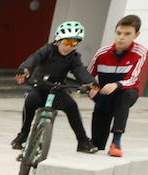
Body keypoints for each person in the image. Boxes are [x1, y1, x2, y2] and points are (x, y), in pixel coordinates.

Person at [12, 21, 98, 154]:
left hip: (57, 89)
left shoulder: (73, 57)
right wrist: (24, 68)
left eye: (74, 44)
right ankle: (23, 135)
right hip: (39, 87)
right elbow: (34, 58)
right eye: (66, 42)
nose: (69, 47)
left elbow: (80, 71)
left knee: (72, 106)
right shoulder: (47, 50)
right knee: (30, 101)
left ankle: (83, 141)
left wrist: (91, 83)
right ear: (58, 40)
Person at [89, 15, 148, 156]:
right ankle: (97, 142)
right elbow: (88, 75)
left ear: (136, 35)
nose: (121, 37)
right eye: (119, 33)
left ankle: (116, 141)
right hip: (105, 94)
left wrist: (117, 85)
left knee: (124, 96)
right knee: (97, 144)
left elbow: (133, 78)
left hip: (126, 91)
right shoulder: (102, 53)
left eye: (127, 34)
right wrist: (93, 89)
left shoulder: (140, 52)